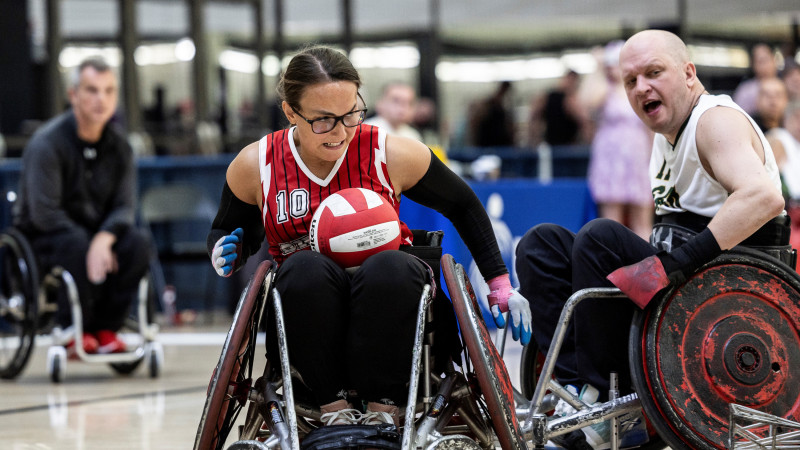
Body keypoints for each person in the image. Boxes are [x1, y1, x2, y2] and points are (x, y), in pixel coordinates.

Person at [206, 46, 531, 428]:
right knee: (304, 267)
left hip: (394, 303)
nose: (340, 132)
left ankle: (385, 407)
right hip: (306, 313)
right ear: (290, 112)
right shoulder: (256, 164)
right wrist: (224, 251)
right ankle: (332, 408)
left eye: (350, 114)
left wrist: (499, 284)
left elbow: (464, 205)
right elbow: (227, 230)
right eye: (323, 120)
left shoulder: (388, 151)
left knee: (390, 266)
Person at [516, 30, 787, 449]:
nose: (641, 87)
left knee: (600, 238)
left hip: (722, 287)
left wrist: (676, 262)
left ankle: (611, 405)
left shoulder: (715, 121)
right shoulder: (664, 137)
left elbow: (764, 197)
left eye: (654, 73)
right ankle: (574, 392)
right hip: (683, 283)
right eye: (631, 80)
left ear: (689, 73)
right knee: (542, 244)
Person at [14, 56, 150, 355]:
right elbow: (44, 213)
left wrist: (104, 237)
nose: (101, 99)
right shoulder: (47, 143)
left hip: (96, 234)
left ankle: (106, 328)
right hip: (46, 236)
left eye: (109, 91)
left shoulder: (121, 147)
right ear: (73, 95)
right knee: (75, 244)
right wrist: (92, 243)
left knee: (138, 244)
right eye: (92, 90)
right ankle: (72, 329)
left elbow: (124, 207)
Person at [582, 40, 654, 240]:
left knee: (642, 219)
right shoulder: (605, 89)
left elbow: (651, 127)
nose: (612, 68)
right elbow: (587, 102)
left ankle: (647, 257)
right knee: (611, 220)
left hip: (638, 159)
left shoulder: (639, 89)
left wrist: (654, 159)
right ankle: (612, 257)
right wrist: (597, 69)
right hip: (610, 161)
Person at [529, 70, 587, 147]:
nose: (570, 84)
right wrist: (534, 139)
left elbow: (583, 123)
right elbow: (534, 117)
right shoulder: (547, 98)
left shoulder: (573, 100)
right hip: (554, 144)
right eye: (569, 80)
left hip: (568, 144)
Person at [733, 43, 779, 115]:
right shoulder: (745, 91)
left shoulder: (785, 85)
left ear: (774, 60)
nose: (764, 66)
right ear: (753, 64)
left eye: (766, 60)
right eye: (760, 61)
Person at [468, 80, 515, 147]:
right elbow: (475, 123)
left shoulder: (501, 106)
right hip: (489, 143)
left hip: (497, 143)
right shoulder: (489, 105)